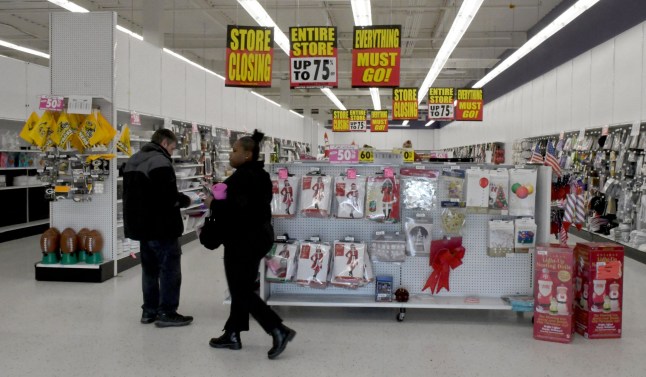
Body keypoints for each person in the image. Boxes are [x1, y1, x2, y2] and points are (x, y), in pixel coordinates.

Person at [206, 129, 296, 360]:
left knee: (241, 290)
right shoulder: (260, 175)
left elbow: (238, 209)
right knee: (241, 287)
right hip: (257, 238)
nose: (230, 154)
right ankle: (232, 334)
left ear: (247, 154)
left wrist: (213, 203)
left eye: (235, 151)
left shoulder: (243, 177)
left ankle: (277, 329)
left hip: (242, 240)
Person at [123, 129, 193, 328]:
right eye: (172, 147)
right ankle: (167, 312)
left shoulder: (133, 160)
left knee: (149, 270)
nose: (172, 151)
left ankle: (149, 311)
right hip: (162, 227)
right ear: (164, 142)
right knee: (169, 270)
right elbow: (167, 197)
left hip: (141, 227)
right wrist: (187, 200)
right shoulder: (160, 161)